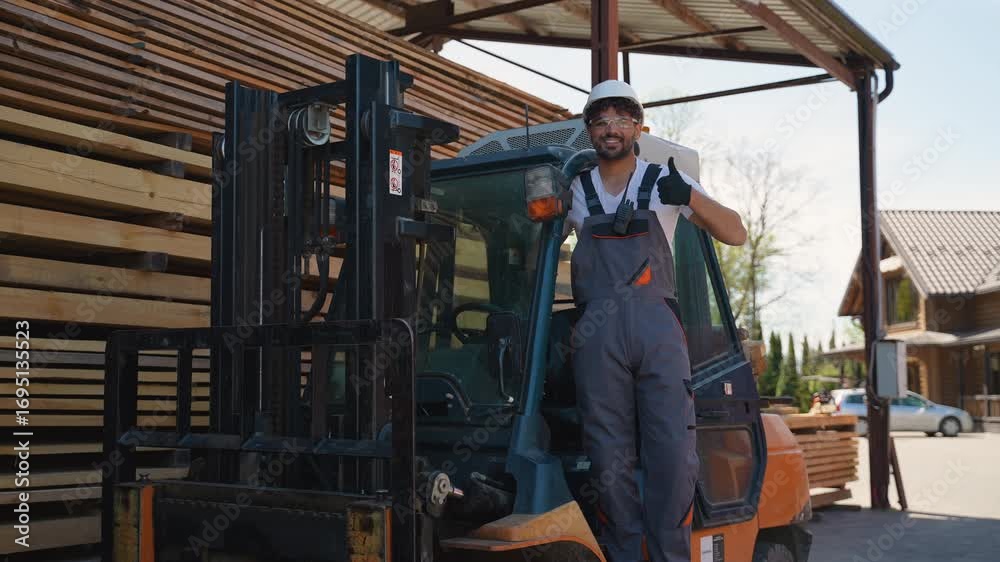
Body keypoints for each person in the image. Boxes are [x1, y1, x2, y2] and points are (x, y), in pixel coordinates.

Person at [565, 80, 747, 562]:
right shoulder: (577, 190)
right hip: (598, 336)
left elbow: (736, 233)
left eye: (621, 120)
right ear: (589, 130)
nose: (611, 129)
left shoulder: (664, 180)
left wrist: (691, 197)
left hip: (657, 333)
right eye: (601, 121)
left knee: (672, 454)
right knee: (607, 457)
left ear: (638, 127)